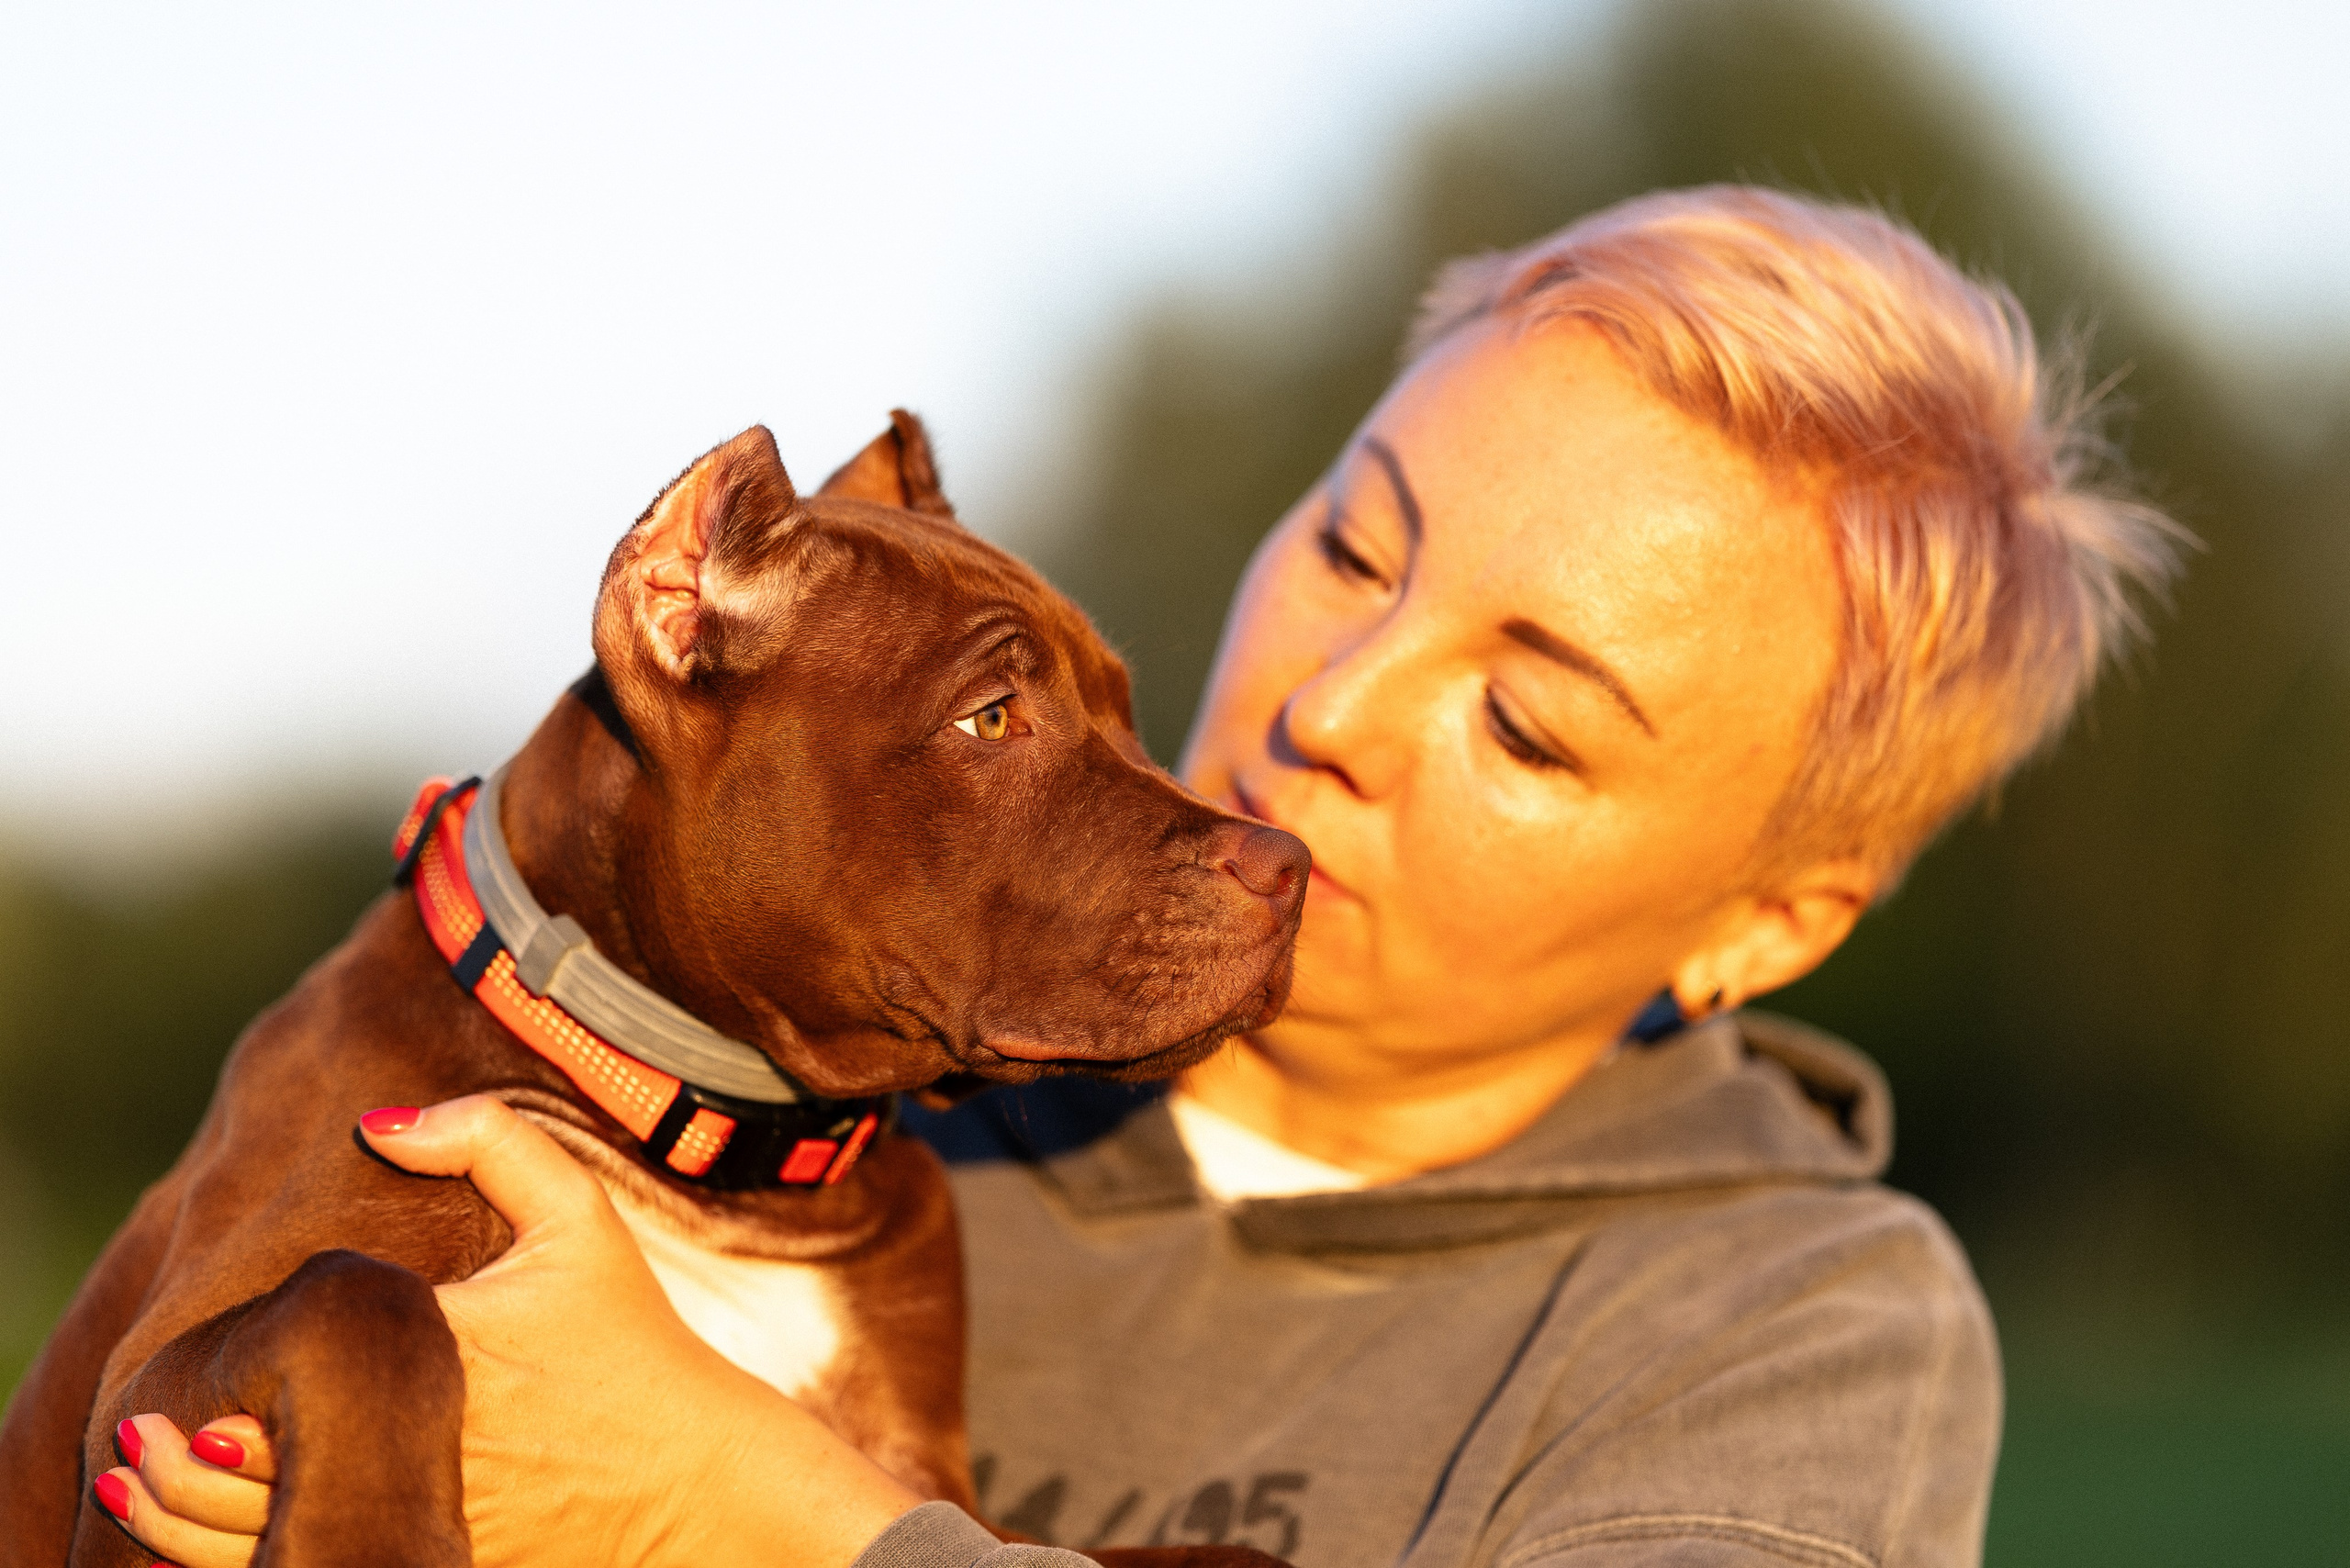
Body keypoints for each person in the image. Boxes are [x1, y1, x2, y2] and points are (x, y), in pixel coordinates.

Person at [100, 185, 2182, 1568]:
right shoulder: (858, 1062)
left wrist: (744, 1504)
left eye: (1528, 723)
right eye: (1358, 545)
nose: (1337, 703)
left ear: (1763, 919)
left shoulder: (1782, 1325)